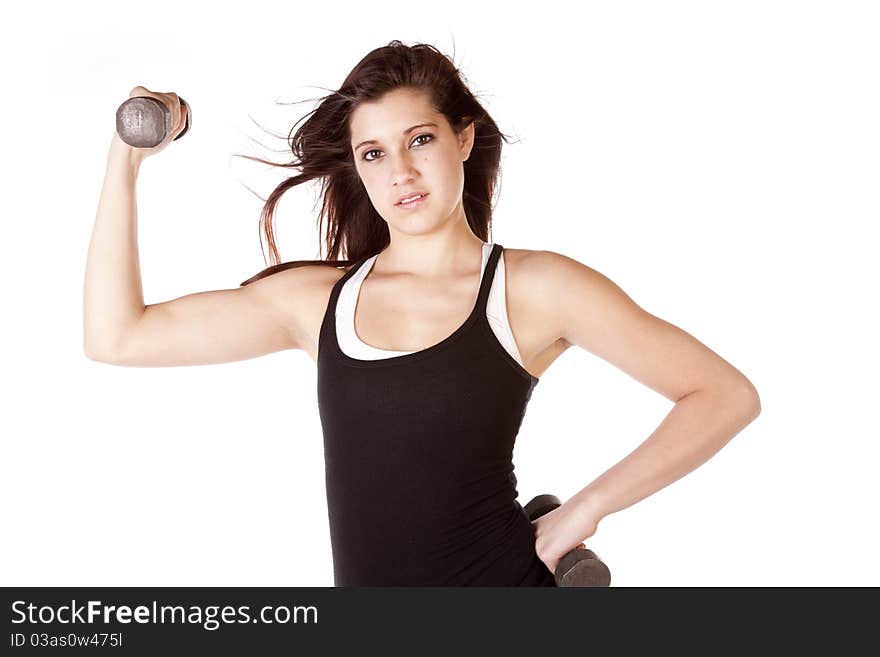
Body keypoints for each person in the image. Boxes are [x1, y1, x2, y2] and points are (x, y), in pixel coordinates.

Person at [84, 40, 761, 586]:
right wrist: (125, 161)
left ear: (462, 139)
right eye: (373, 153)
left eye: (421, 140)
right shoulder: (320, 302)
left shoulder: (532, 288)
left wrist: (580, 513)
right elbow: (116, 336)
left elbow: (724, 395)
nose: (400, 172)